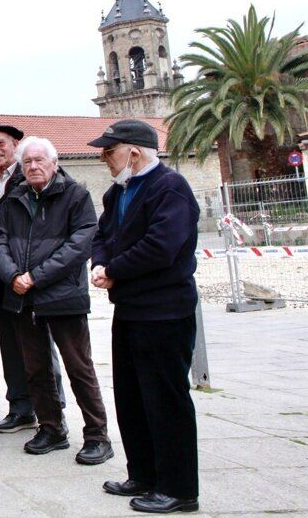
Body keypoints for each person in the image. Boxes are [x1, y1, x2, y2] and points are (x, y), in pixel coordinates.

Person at [89, 119, 200, 514]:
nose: (104, 158)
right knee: (133, 396)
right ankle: (144, 474)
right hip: (131, 309)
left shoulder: (170, 188)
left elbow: (161, 247)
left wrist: (114, 269)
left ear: (133, 152)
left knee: (166, 400)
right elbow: (102, 235)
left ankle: (179, 488)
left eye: (110, 151)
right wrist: (100, 263)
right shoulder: (117, 192)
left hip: (165, 310)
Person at [0, 136, 113, 465]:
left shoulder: (76, 196)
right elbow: (0, 241)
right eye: (27, 162)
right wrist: (13, 276)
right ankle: (51, 428)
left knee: (78, 368)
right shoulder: (14, 199)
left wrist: (35, 276)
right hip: (23, 298)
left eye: (39, 160)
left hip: (63, 296)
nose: (33, 166)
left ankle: (97, 436)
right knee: (36, 369)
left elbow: (80, 244)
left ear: (54, 163)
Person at [0, 123, 64, 434]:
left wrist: (27, 272)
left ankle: (54, 410)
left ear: (15, 145)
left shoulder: (31, 175)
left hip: (29, 274)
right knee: (10, 346)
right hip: (1, 275)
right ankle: (21, 407)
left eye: (1, 143)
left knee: (41, 347)